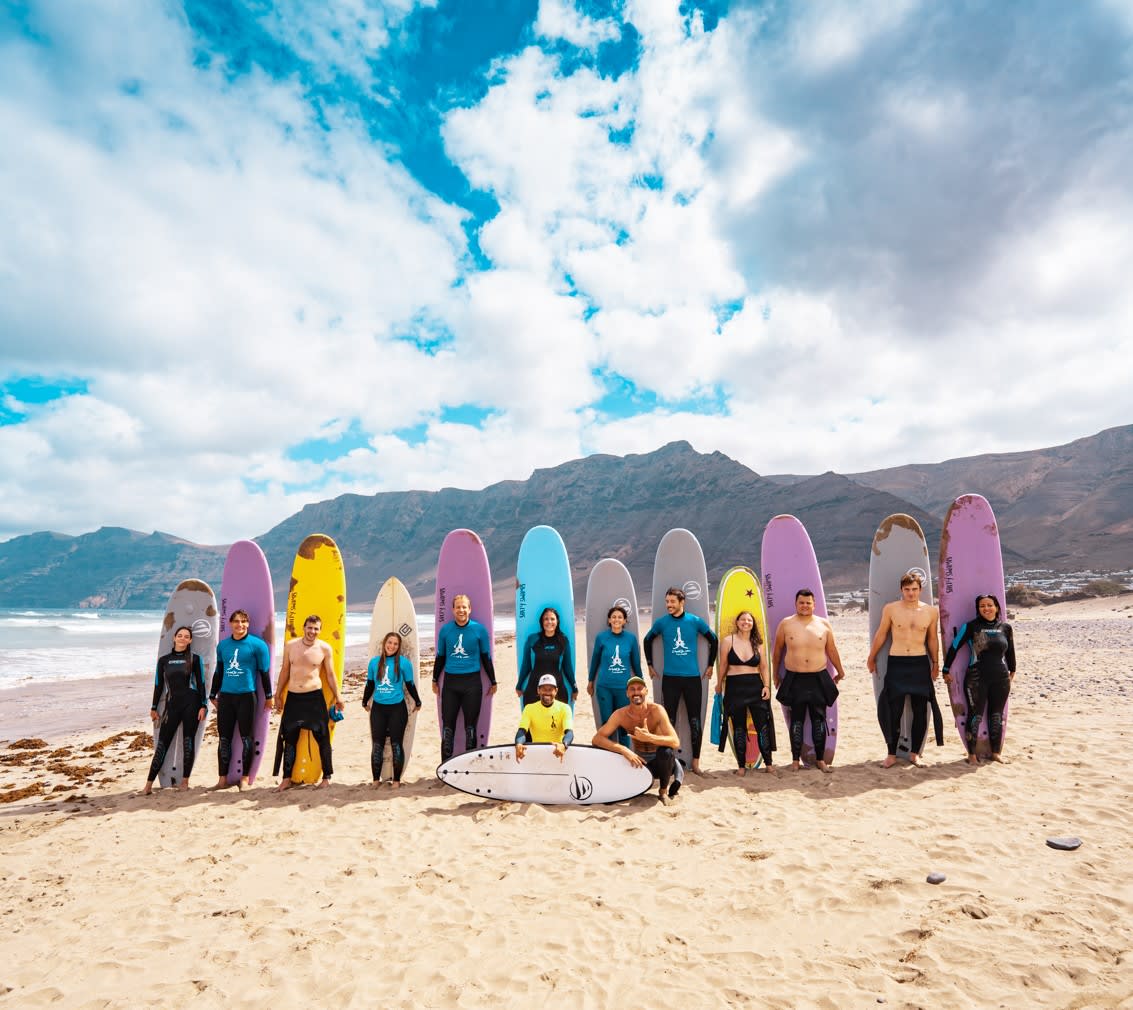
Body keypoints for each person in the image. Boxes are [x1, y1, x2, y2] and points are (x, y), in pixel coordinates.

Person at [866, 572, 944, 767]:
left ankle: (915, 753)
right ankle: (891, 753)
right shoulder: (891, 609)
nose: (911, 593)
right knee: (894, 710)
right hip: (897, 663)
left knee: (920, 710)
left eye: (914, 589)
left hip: (919, 663)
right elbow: (881, 634)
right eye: (907, 589)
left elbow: (932, 639)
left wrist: (935, 663)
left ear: (920, 590)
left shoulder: (930, 612)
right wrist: (872, 656)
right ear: (901, 590)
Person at [643, 587, 718, 775]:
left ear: (681, 602)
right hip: (670, 679)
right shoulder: (662, 623)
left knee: (695, 721)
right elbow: (647, 640)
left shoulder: (694, 621)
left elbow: (713, 639)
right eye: (667, 602)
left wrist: (710, 665)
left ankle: (696, 763)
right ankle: (669, 762)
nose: (669, 605)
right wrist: (650, 664)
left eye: (672, 602)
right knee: (669, 721)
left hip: (692, 679)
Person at [771, 589, 845, 773]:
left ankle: (820, 760)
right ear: (796, 604)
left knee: (818, 721)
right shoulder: (786, 624)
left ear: (814, 604)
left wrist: (840, 671)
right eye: (801, 602)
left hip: (818, 678)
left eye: (808, 603)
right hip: (794, 678)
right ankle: (795, 760)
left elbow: (832, 651)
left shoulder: (824, 625)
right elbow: (778, 651)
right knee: (796, 721)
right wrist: (775, 674)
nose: (805, 606)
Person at [942, 594, 1016, 764]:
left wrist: (1012, 669)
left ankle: (996, 753)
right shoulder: (971, 627)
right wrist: (946, 669)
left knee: (997, 714)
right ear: (978, 609)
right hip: (977, 677)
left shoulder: (1005, 628)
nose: (986, 608)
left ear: (997, 607)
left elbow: (1010, 651)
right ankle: (972, 755)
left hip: (1001, 677)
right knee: (975, 715)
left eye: (990, 605)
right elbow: (954, 647)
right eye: (982, 606)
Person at [273, 615, 344, 790]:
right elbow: (285, 670)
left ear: (319, 630)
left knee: (323, 738)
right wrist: (278, 693)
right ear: (304, 627)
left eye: (316, 628)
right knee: (289, 739)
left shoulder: (324, 649)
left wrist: (338, 696)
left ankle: (326, 777)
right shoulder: (291, 646)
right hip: (294, 697)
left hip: (314, 698)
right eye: (310, 627)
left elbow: (330, 675)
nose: (312, 631)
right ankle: (286, 778)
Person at [592, 675, 684, 806]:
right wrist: (624, 750)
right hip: (640, 762)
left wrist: (649, 737)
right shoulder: (621, 714)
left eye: (640, 688)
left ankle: (663, 792)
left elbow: (675, 742)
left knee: (666, 751)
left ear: (646, 691)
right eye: (632, 689)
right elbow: (597, 739)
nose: (636, 692)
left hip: (661, 761)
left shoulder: (657, 710)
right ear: (627, 693)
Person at [210, 609, 272, 790]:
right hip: (226, 698)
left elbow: (264, 673)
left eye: (244, 621)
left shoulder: (258, 645)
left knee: (246, 738)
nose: (240, 625)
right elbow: (218, 672)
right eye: (236, 621)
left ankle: (244, 778)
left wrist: (269, 696)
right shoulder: (223, 646)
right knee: (224, 739)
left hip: (247, 697)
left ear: (248, 623)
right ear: (230, 624)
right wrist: (213, 694)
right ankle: (222, 779)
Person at [143, 625, 207, 794]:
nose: (183, 638)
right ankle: (148, 785)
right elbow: (158, 685)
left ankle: (185, 781)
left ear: (190, 640)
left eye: (187, 636)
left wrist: (203, 705)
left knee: (188, 742)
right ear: (174, 638)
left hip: (191, 704)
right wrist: (154, 707)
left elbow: (201, 683)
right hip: (172, 706)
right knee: (163, 743)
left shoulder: (194, 659)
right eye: (180, 635)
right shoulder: (164, 660)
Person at [433, 594, 497, 762]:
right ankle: (445, 767)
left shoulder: (479, 630)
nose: (461, 610)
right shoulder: (445, 631)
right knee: (448, 729)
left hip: (472, 684)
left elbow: (486, 657)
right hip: (450, 684)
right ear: (453, 610)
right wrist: (434, 680)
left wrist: (493, 680)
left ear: (470, 609)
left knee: (470, 729)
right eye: (458, 607)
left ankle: (470, 766)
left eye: (464, 607)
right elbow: (440, 657)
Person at [715, 610, 776, 776]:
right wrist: (719, 683)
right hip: (735, 687)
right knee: (739, 727)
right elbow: (723, 665)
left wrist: (766, 686)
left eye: (749, 620)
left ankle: (769, 764)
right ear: (737, 622)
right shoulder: (728, 641)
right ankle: (741, 766)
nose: (746, 622)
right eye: (742, 619)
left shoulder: (758, 643)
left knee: (762, 726)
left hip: (756, 687)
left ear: (753, 624)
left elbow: (763, 666)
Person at [363, 631, 422, 788]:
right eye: (389, 642)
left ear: (399, 647)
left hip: (397, 709)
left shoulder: (403, 663)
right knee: (377, 745)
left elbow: (410, 684)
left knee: (396, 744)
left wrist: (417, 700)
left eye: (395, 644)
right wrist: (364, 701)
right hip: (378, 709)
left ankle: (396, 781)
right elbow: (370, 684)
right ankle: (376, 780)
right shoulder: (374, 662)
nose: (392, 646)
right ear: (384, 643)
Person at [588, 604, 642, 748]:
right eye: (614, 617)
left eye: (620, 617)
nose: (616, 620)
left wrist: (641, 684)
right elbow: (595, 661)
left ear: (624, 621)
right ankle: (609, 754)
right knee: (607, 723)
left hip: (624, 689)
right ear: (609, 620)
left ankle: (625, 755)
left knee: (625, 724)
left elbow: (636, 663)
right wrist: (590, 680)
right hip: (604, 687)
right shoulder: (602, 638)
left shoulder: (631, 639)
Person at [516, 607, 577, 707]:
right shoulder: (533, 639)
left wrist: (574, 688)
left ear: (557, 622)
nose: (549, 622)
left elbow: (568, 667)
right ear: (542, 621)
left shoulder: (563, 640)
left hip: (557, 691)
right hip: (534, 690)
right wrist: (519, 685)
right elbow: (526, 665)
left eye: (552, 619)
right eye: (546, 619)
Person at [514, 674, 574, 762]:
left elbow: (569, 733)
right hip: (538, 754)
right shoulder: (529, 708)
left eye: (550, 689)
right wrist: (518, 744)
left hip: (557, 753)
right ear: (538, 690)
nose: (547, 692)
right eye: (544, 689)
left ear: (556, 691)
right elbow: (522, 731)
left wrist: (564, 745)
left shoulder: (564, 708)